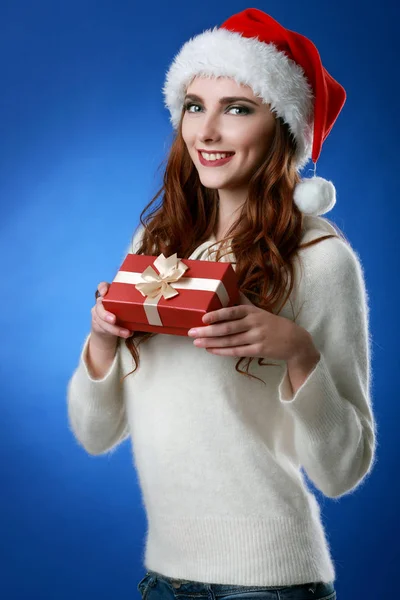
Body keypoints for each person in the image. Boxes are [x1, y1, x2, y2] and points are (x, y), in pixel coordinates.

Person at [67, 8, 377, 600]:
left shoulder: (321, 259)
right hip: (164, 579)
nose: (205, 131)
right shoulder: (157, 247)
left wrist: (299, 354)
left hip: (268, 585)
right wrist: (103, 341)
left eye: (237, 108)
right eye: (194, 105)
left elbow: (343, 471)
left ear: (283, 126)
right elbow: (95, 434)